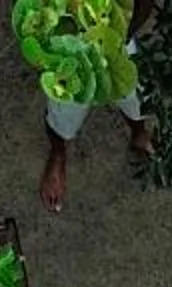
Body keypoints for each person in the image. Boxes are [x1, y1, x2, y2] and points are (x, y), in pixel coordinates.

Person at [36, 0, 154, 211]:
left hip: (117, 37)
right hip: (68, 47)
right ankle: (58, 155)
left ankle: (140, 133)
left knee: (134, 96)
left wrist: (118, 38)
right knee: (63, 113)